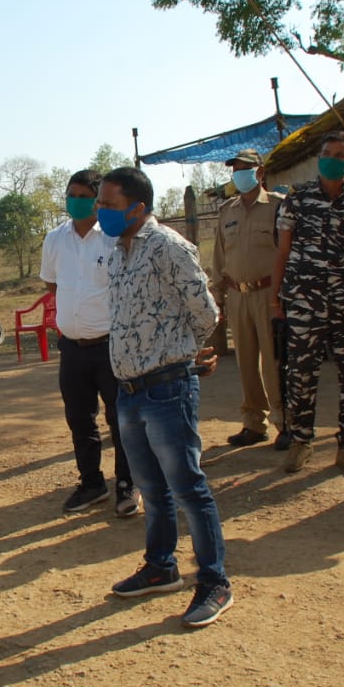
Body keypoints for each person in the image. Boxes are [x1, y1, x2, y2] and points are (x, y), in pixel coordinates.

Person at [98, 167, 232, 629]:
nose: (100, 212)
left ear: (138, 206)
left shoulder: (169, 247)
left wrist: (181, 357)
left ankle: (214, 581)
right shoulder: (117, 252)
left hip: (166, 387)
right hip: (129, 391)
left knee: (188, 488)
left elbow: (206, 312)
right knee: (152, 490)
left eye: (108, 205)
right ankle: (161, 566)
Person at [271, 130, 344, 475]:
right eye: (325, 153)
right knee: (301, 375)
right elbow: (283, 252)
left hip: (342, 304)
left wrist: (342, 276)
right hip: (302, 304)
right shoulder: (297, 199)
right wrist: (278, 298)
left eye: (338, 154)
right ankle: (301, 443)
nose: (330, 159)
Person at [39, 169, 138, 517]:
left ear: (97, 200)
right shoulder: (54, 239)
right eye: (71, 194)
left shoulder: (112, 237)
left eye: (83, 196)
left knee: (120, 418)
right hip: (72, 347)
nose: (75, 201)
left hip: (110, 346)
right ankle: (92, 483)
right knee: (80, 420)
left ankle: (127, 484)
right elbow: (53, 285)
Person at [211, 149, 291, 451]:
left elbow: (288, 252)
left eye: (245, 168)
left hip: (269, 295)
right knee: (246, 363)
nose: (239, 174)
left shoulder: (278, 207)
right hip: (237, 294)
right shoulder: (227, 211)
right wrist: (218, 292)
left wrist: (283, 296)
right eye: (235, 169)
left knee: (273, 362)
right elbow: (221, 254)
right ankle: (254, 423)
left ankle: (285, 422)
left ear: (260, 172)